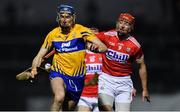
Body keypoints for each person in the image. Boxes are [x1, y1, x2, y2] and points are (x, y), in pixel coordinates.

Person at [29, 4, 107, 111]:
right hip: (58, 73)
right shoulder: (53, 35)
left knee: (67, 110)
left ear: (73, 18)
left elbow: (103, 47)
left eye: (68, 16)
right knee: (59, 97)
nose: (64, 19)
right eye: (62, 16)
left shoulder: (82, 31)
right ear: (58, 17)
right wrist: (34, 68)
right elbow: (39, 56)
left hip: (77, 78)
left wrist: (96, 49)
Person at [94, 13, 150, 111]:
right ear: (117, 23)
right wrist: (91, 45)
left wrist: (145, 89)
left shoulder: (135, 46)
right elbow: (89, 37)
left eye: (127, 24)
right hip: (106, 80)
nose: (123, 26)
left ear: (131, 28)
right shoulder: (106, 36)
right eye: (121, 22)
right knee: (105, 107)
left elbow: (142, 66)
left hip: (124, 83)